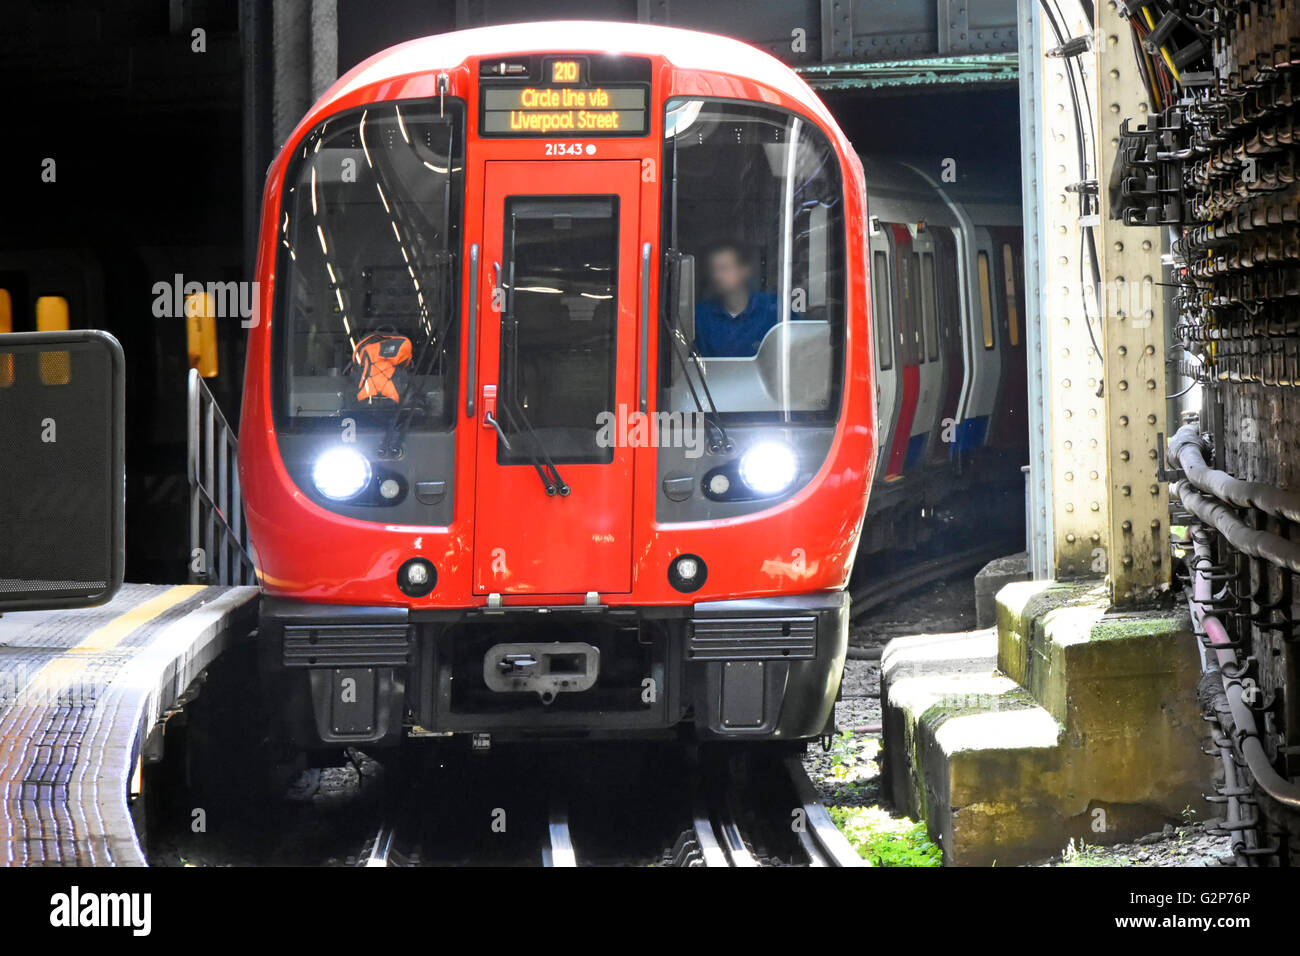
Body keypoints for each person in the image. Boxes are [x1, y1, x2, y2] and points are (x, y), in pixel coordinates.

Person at [693, 241, 778, 357]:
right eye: (713, 270)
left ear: (744, 271)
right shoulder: (701, 315)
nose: (716, 276)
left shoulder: (774, 309)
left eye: (724, 268)